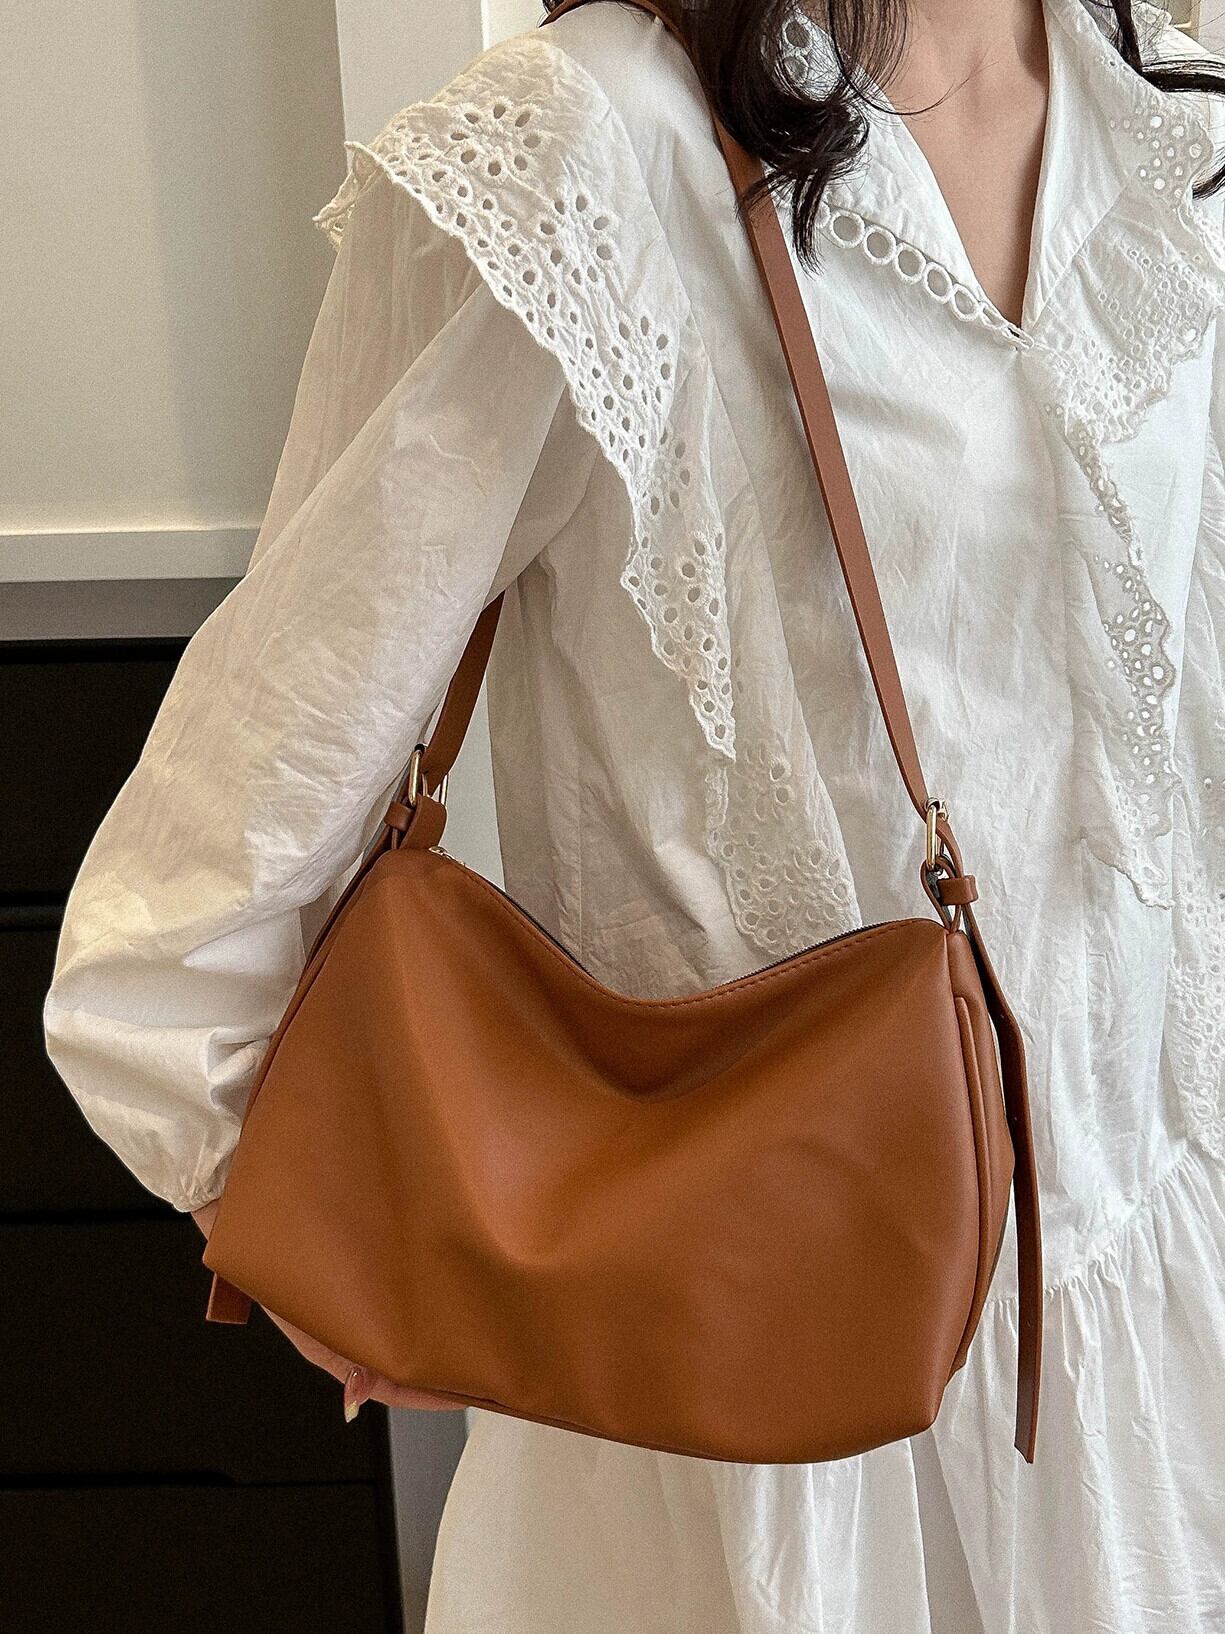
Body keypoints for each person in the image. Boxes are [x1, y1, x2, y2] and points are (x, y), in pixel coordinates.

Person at [43, 0, 1225, 1627]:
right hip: (744, 1409)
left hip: (1146, 1339)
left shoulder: (1159, 101)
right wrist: (352, 1237)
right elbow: (213, 853)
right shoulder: (577, 152)